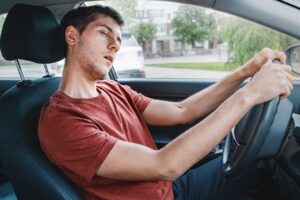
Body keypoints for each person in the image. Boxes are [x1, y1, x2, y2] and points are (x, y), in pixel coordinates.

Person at [38, 5, 294, 200]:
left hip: (170, 189)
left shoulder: (112, 89)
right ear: (72, 36)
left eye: (118, 39)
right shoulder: (61, 121)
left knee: (263, 158)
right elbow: (163, 165)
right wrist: (249, 95)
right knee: (264, 163)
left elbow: (182, 110)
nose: (115, 46)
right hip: (169, 192)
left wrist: (244, 73)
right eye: (104, 33)